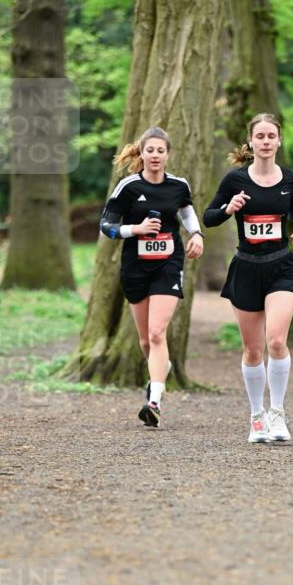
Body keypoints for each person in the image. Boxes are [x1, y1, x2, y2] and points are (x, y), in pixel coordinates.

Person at [203, 113, 293, 444]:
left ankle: (277, 413)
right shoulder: (235, 181)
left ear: (279, 141)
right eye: (259, 136)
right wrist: (228, 209)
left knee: (276, 340)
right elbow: (208, 218)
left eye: (271, 136)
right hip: (247, 269)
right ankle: (257, 417)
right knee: (253, 350)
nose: (265, 141)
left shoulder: (291, 179)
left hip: (281, 268)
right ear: (251, 142)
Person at [99, 126, 203, 427]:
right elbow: (106, 224)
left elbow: (186, 212)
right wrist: (136, 230)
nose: (155, 156)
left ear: (168, 155)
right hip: (135, 265)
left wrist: (197, 234)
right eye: (150, 150)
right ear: (142, 153)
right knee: (146, 341)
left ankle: (154, 401)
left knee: (158, 333)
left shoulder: (179, 185)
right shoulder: (127, 187)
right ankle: (161, 371)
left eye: (161, 151)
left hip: (168, 263)